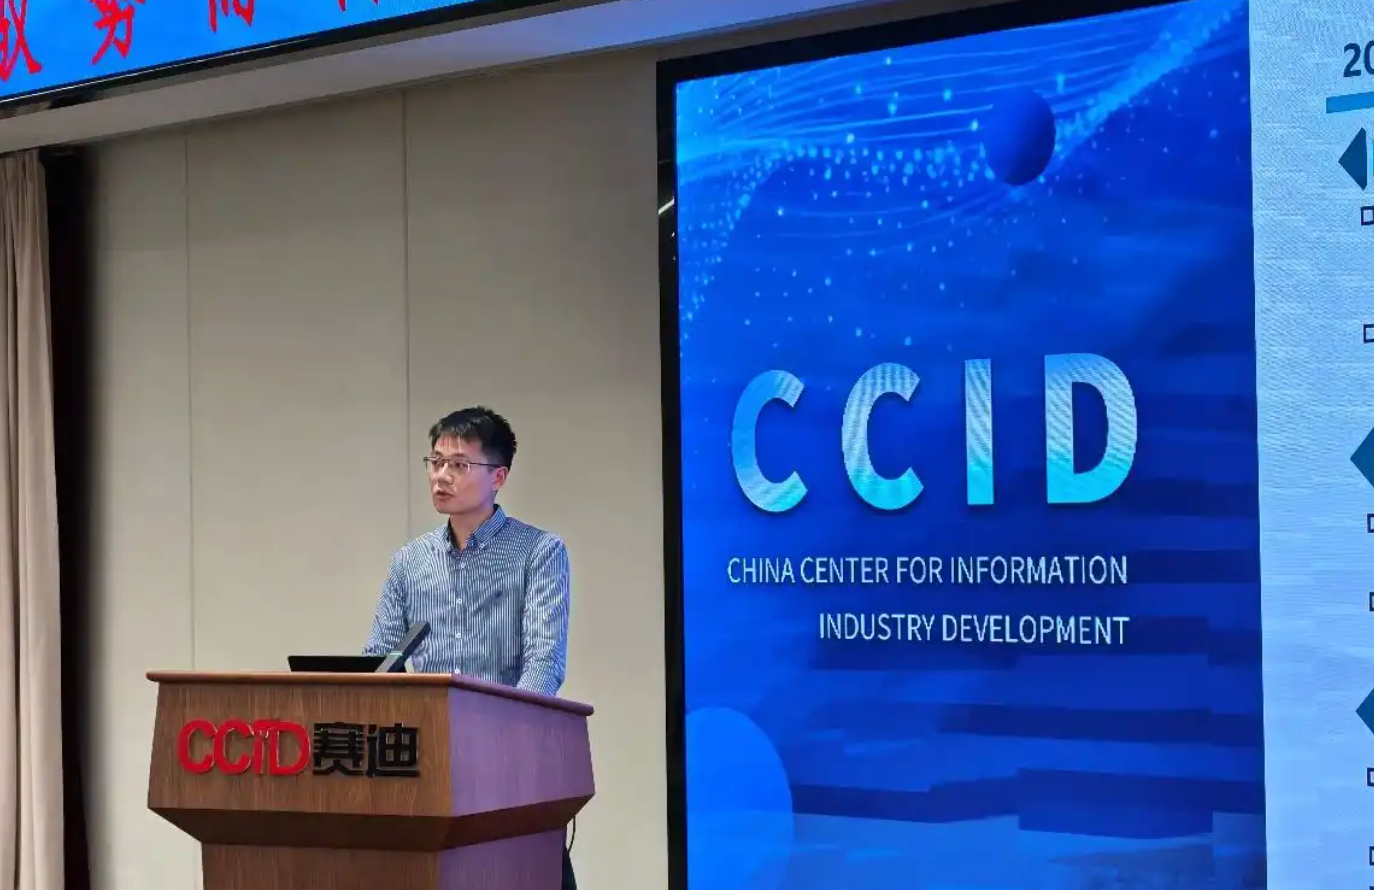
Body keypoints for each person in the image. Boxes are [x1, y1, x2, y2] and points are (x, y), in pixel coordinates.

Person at [363, 406, 576, 890]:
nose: (442, 475)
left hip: (509, 766)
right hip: (426, 766)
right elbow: (379, 659)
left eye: (459, 465)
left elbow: (544, 662)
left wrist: (501, 737)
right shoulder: (410, 562)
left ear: (498, 477)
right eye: (436, 462)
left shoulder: (538, 552)